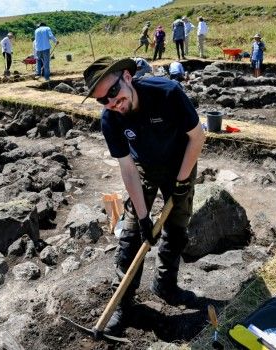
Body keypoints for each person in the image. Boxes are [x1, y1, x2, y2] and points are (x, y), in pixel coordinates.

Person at [82, 56, 205, 336]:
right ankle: (123, 304)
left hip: (180, 162)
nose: (112, 102)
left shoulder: (167, 93)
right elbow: (127, 167)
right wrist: (142, 216)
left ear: (126, 76)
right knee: (131, 235)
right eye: (103, 100)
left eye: (113, 92)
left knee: (176, 228)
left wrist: (183, 180)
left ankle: (165, 285)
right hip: (144, 167)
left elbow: (197, 137)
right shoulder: (110, 119)